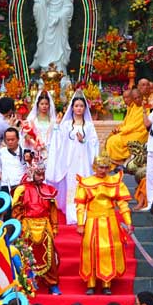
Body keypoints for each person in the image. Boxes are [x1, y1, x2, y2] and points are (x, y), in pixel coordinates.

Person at [75, 155, 133, 295]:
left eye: (106, 167)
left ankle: (107, 284)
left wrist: (128, 222)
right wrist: (80, 223)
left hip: (110, 219)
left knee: (109, 250)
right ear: (95, 167)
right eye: (101, 167)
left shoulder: (115, 181)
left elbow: (123, 204)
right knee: (91, 249)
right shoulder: (86, 182)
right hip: (92, 220)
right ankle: (91, 283)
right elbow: (80, 205)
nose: (103, 170)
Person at [48, 92, 99, 225]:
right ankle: (72, 216)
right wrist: (56, 128)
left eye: (81, 106)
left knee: (84, 185)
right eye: (76, 106)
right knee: (72, 186)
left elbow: (94, 144)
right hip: (70, 162)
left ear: (85, 108)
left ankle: (86, 214)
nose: (79, 108)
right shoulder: (66, 125)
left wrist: (83, 141)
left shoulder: (88, 126)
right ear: (72, 108)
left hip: (84, 162)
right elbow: (59, 143)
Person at [11, 159, 61, 295]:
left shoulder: (48, 190)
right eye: (38, 174)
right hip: (28, 226)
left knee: (49, 255)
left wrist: (54, 226)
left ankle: (52, 283)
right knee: (27, 256)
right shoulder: (22, 190)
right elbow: (16, 210)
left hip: (44, 225)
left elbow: (52, 211)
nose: (41, 177)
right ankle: (27, 282)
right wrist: (19, 226)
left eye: (43, 174)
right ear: (32, 174)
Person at [106, 88, 148, 164]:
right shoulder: (133, 107)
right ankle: (118, 159)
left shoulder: (145, 107)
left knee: (114, 141)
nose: (137, 100)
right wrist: (119, 128)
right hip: (130, 131)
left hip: (140, 133)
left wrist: (121, 130)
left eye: (139, 97)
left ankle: (121, 160)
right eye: (135, 98)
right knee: (111, 137)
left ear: (142, 97)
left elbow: (136, 125)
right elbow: (126, 122)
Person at [24, 90, 57, 157]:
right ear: (38, 105)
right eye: (42, 104)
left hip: (50, 149)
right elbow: (26, 135)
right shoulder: (32, 120)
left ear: (49, 105)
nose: (44, 106)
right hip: (35, 150)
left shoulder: (53, 121)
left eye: (46, 104)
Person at [0, 127, 27, 194]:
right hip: (5, 185)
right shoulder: (2, 151)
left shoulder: (25, 152)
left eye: (12, 140)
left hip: (20, 185)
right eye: (8, 140)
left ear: (18, 139)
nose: (10, 142)